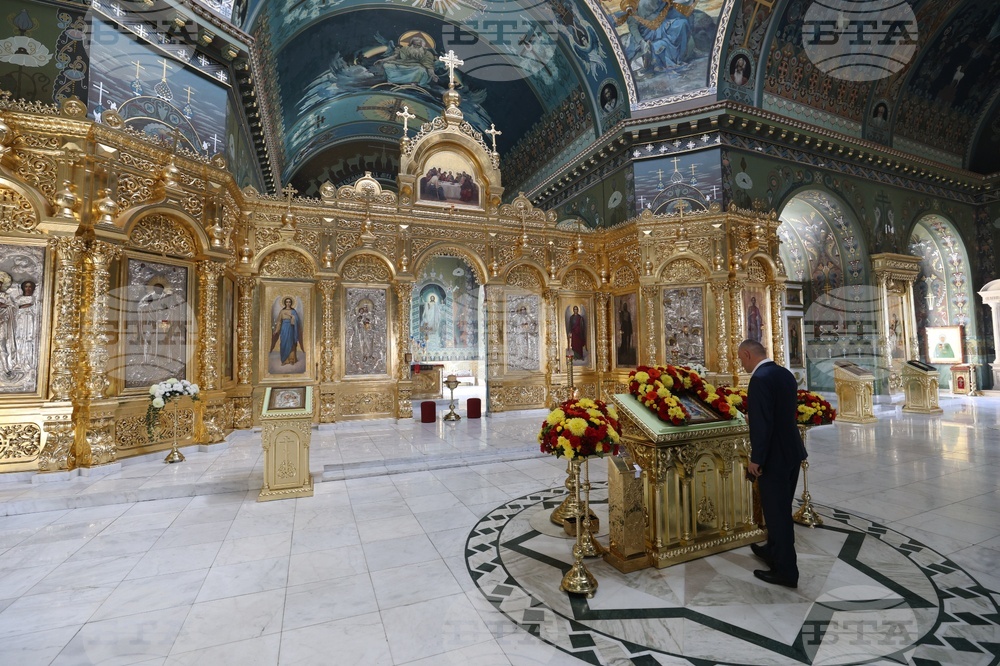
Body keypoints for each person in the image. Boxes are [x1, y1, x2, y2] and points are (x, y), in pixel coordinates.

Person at [739, 339, 807, 588]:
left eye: (740, 359)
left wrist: (756, 459)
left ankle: (786, 571)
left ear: (747, 354)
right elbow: (782, 413)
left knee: (777, 514)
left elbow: (763, 423)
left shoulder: (759, 379)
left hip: (774, 457)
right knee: (781, 506)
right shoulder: (784, 373)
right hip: (791, 451)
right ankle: (773, 550)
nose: (741, 364)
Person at [270, 297, 303, 366]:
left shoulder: (293, 311)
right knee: (284, 343)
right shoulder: (282, 311)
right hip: (284, 328)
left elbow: (297, 320)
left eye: (289, 302)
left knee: (291, 343)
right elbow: (279, 322)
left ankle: (291, 359)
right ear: (285, 303)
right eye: (287, 302)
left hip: (291, 328)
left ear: (291, 303)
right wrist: (276, 330)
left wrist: (292, 316)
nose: (288, 303)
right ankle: (284, 360)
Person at [618, 300, 635, 366]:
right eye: (624, 306)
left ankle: (627, 350)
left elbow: (630, 321)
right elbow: (621, 319)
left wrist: (631, 329)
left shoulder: (628, 313)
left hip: (628, 326)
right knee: (623, 339)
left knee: (628, 339)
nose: (625, 307)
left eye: (626, 306)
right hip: (624, 326)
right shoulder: (621, 313)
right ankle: (623, 350)